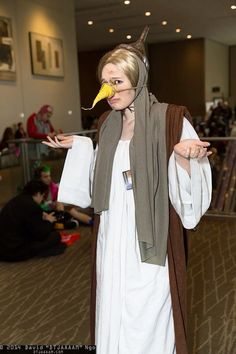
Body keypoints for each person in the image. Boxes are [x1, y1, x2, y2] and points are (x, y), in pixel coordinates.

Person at [43, 27, 212, 354]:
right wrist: (79, 146)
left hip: (148, 242)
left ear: (139, 79)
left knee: (146, 315)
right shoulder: (108, 123)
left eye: (116, 82)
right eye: (104, 82)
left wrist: (185, 158)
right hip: (111, 236)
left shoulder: (171, 119)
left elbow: (187, 191)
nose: (108, 90)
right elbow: (100, 178)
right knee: (112, 305)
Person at [0, 180, 67, 262]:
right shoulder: (32, 206)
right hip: (15, 250)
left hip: (3, 249)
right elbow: (40, 234)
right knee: (56, 236)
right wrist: (48, 221)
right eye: (43, 196)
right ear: (38, 193)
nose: (42, 200)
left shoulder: (16, 200)